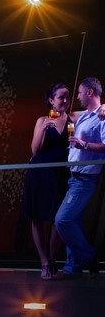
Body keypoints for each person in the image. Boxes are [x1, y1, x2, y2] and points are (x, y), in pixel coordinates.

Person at [22, 83, 73, 279]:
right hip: (39, 173)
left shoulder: (71, 120)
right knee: (37, 217)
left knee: (58, 219)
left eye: (67, 97)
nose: (65, 100)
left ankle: (51, 259)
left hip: (60, 174)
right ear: (51, 100)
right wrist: (43, 129)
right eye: (61, 97)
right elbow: (34, 150)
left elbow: (71, 145)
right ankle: (44, 261)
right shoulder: (42, 120)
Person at [56, 77, 105, 276]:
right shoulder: (83, 115)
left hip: (84, 179)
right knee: (73, 221)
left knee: (62, 220)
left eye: (79, 93)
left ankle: (90, 258)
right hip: (73, 175)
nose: (77, 97)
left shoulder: (102, 117)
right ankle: (72, 266)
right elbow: (60, 113)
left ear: (90, 93)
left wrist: (83, 145)